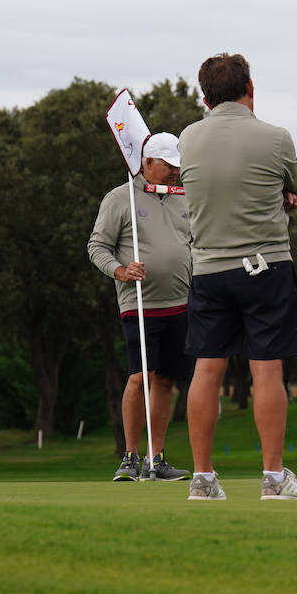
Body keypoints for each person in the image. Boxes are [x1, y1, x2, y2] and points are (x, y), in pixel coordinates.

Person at [178, 53, 297, 502]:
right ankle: (273, 479)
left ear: (204, 97)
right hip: (265, 267)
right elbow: (296, 187)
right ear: (250, 89)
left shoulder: (188, 139)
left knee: (207, 370)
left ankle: (202, 478)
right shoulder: (275, 137)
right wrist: (288, 201)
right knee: (266, 370)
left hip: (209, 270)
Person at [87, 133, 193, 481]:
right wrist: (120, 270)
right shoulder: (120, 198)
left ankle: (156, 459)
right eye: (168, 166)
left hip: (181, 303)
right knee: (140, 376)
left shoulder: (184, 197)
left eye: (178, 165)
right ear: (147, 163)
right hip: (139, 302)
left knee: (166, 380)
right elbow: (97, 246)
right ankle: (130, 457)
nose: (175, 172)